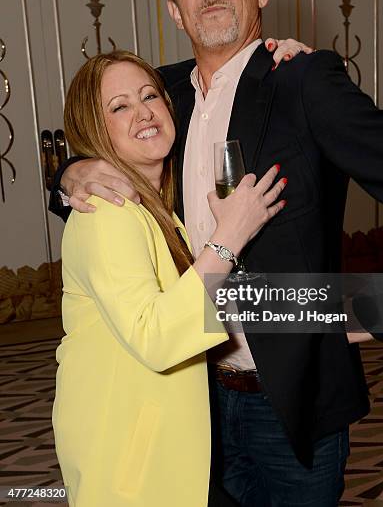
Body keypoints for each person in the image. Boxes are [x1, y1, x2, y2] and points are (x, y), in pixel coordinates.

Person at [50, 0, 383, 507]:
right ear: (173, 7)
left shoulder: (302, 81)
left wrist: (380, 312)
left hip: (287, 405)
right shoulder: (161, 99)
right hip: (190, 401)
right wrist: (72, 172)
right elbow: (95, 137)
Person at [52, 49, 286, 507]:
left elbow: (191, 306)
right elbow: (157, 336)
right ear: (94, 128)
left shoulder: (154, 210)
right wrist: (229, 235)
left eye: (149, 96)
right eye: (119, 106)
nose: (143, 112)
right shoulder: (106, 211)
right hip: (130, 462)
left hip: (164, 450)